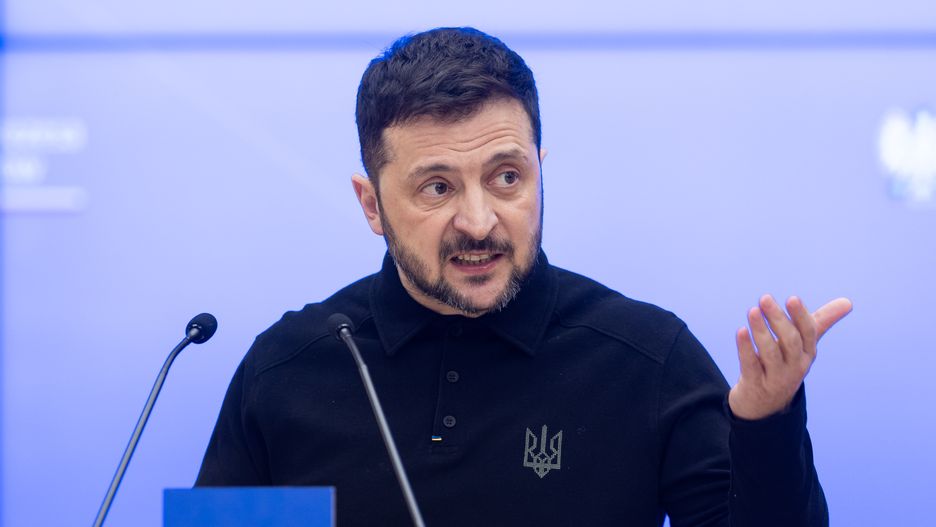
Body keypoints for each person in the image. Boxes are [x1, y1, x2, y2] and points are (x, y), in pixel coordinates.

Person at [196, 27, 852, 526]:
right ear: (371, 205)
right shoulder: (286, 370)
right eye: (437, 187)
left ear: (540, 168)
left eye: (507, 177)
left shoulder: (648, 360)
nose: (479, 221)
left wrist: (766, 424)